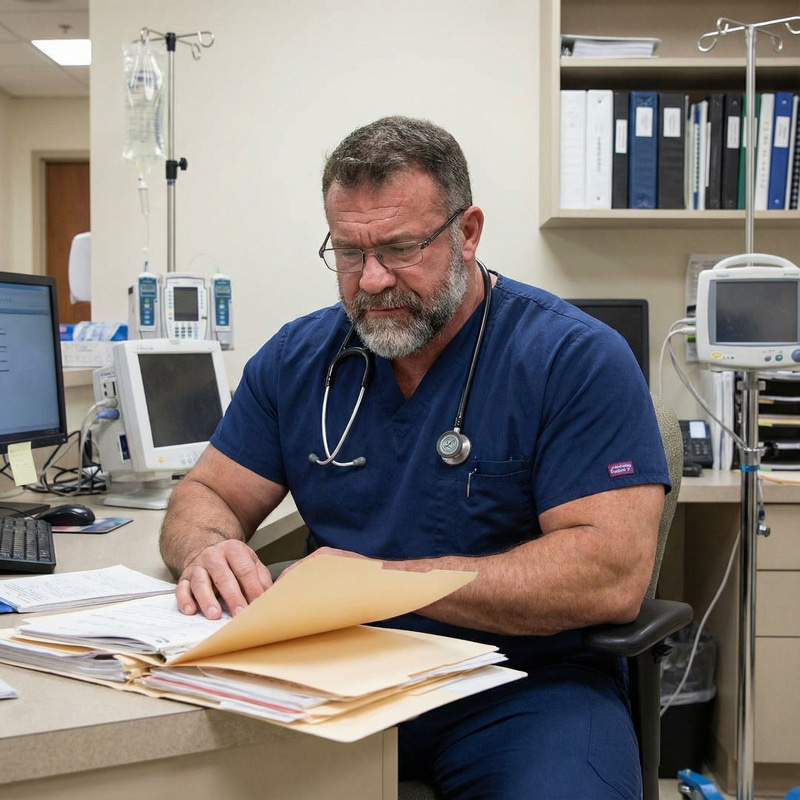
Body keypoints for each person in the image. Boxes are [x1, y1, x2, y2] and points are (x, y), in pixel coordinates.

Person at [160, 115, 669, 799]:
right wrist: (206, 550)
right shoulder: (297, 359)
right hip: (334, 681)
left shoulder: (571, 358)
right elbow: (206, 495)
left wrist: (382, 583)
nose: (370, 281)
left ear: (468, 232)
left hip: (521, 690)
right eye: (347, 252)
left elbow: (609, 574)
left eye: (400, 248)